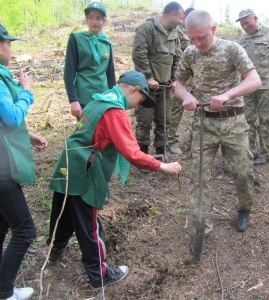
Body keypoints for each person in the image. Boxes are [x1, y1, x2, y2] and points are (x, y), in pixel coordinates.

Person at [47, 70, 182, 289]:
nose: (137, 106)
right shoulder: (115, 112)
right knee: (89, 224)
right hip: (85, 169)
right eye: (140, 101)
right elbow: (132, 153)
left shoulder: (98, 100)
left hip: (68, 162)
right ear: (134, 90)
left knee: (64, 210)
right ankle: (99, 274)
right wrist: (162, 166)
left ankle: (55, 249)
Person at [174, 10, 261, 253]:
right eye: (192, 39)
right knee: (199, 178)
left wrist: (227, 95)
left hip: (233, 121)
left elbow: (254, 80)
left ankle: (244, 207)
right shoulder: (190, 54)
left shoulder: (232, 49)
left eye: (201, 37)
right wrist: (187, 95)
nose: (197, 43)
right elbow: (178, 84)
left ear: (213, 30)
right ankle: (202, 228)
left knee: (242, 171)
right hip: (204, 124)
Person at [0, 24, 48, 300]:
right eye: (9, 44)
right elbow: (12, 117)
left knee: (2, 225)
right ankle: (5, 293)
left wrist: (28, 136)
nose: (10, 49)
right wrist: (27, 90)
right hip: (3, 169)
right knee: (25, 230)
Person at [236, 9, 269, 165]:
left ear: (255, 18)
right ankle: (250, 152)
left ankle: (265, 154)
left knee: (265, 121)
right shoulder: (243, 40)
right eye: (242, 23)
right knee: (247, 120)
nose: (245, 26)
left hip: (267, 87)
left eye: (247, 22)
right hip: (248, 87)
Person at [132, 2, 184, 158]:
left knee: (164, 121)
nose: (182, 21)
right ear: (172, 14)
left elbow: (177, 59)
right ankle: (143, 155)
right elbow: (139, 54)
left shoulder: (175, 35)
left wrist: (174, 79)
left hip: (165, 88)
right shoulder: (147, 28)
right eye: (181, 17)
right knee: (144, 121)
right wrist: (148, 77)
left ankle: (161, 154)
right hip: (147, 88)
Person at [64, 1, 116, 119]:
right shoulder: (76, 39)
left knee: (103, 134)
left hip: (104, 98)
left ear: (104, 21)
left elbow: (110, 75)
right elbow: (69, 73)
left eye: (98, 18)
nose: (94, 21)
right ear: (86, 19)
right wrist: (73, 100)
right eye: (90, 17)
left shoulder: (106, 44)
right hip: (84, 98)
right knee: (86, 133)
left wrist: (114, 97)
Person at [168, 7, 195, 155]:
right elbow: (174, 56)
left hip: (196, 78)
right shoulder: (176, 31)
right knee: (175, 111)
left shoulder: (195, 32)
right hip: (180, 79)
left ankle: (194, 140)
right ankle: (171, 141)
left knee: (201, 109)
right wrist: (174, 78)